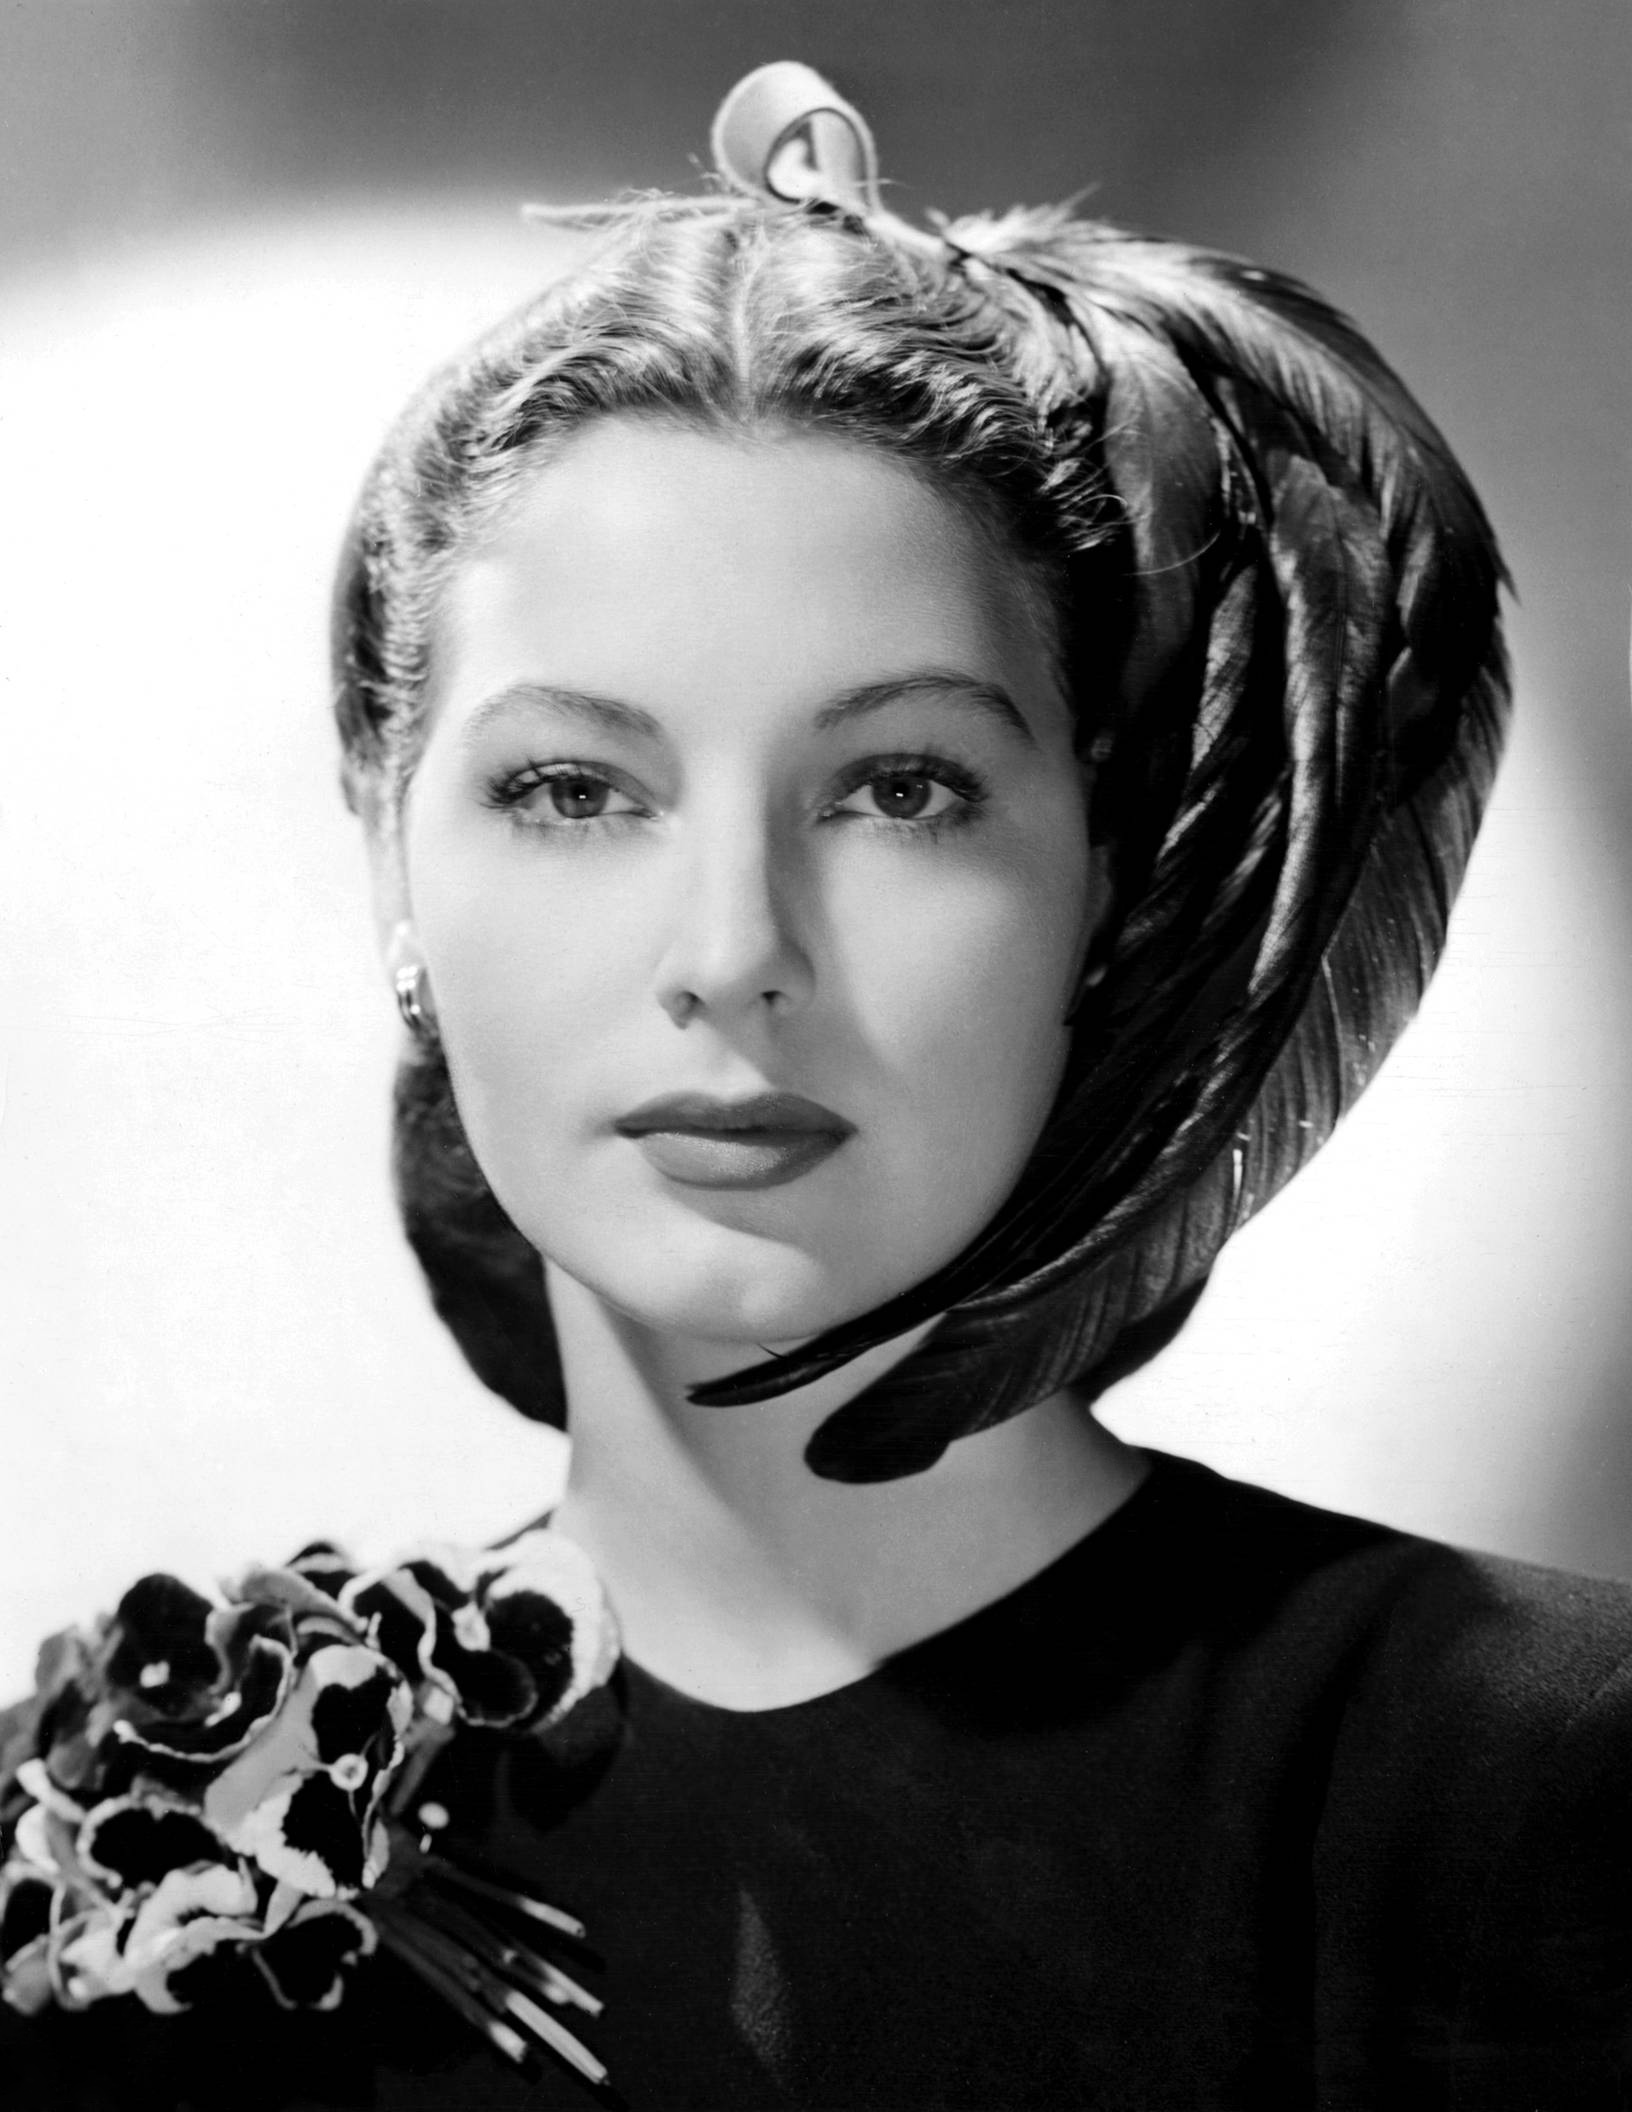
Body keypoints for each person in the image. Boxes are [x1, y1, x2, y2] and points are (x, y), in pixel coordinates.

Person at [4, 60, 1630, 2112]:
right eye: (573, 788)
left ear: (1105, 878)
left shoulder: (1520, 1785)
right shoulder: (128, 1871)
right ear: (390, 857)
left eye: (900, 788)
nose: (731, 949)